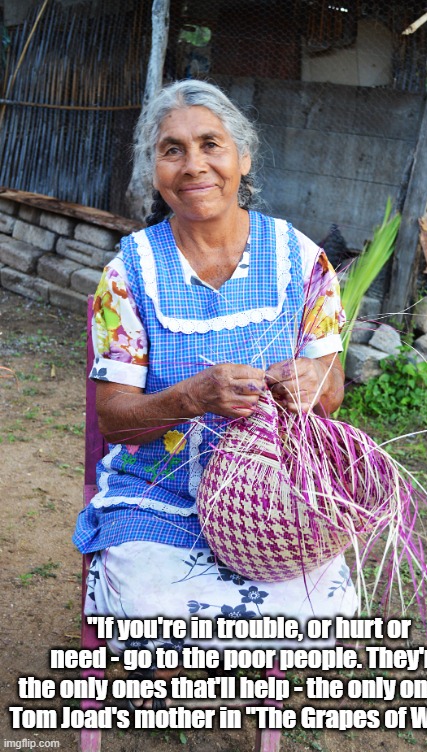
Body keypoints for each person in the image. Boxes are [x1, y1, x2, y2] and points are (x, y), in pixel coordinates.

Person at [73, 80, 357, 692]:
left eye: (211, 144)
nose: (194, 164)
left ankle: (213, 653)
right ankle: (196, 658)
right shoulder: (128, 275)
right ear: (155, 170)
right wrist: (194, 397)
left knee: (325, 605)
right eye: (172, 150)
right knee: (156, 615)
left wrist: (310, 384)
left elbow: (330, 387)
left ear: (243, 158)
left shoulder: (302, 261)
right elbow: (115, 420)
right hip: (159, 494)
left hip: (272, 497)